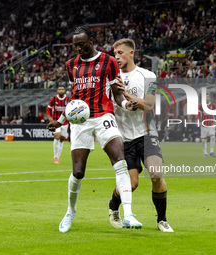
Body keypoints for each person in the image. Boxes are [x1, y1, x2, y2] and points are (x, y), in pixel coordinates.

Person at [46, 26, 142, 232]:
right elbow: (74, 97)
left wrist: (126, 105)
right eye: (75, 45)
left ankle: (129, 214)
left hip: (103, 116)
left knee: (120, 161)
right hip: (81, 122)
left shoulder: (109, 62)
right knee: (78, 172)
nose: (78, 48)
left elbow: (117, 93)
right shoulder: (71, 65)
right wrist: (61, 120)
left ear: (92, 40)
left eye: (81, 43)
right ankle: (70, 211)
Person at [108, 38, 174, 232]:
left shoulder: (148, 76)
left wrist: (128, 96)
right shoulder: (110, 80)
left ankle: (161, 219)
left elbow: (150, 104)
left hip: (147, 134)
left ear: (131, 53)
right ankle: (113, 206)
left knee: (156, 174)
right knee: (132, 184)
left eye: (120, 53)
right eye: (115, 54)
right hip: (123, 138)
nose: (116, 57)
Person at [46, 84, 69, 165]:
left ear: (64, 90)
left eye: (62, 89)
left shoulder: (68, 99)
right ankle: (56, 157)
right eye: (59, 89)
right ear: (57, 90)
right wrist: (49, 118)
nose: (61, 90)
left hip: (65, 122)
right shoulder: (54, 99)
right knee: (57, 136)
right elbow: (48, 109)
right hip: (56, 121)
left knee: (62, 139)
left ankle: (58, 156)